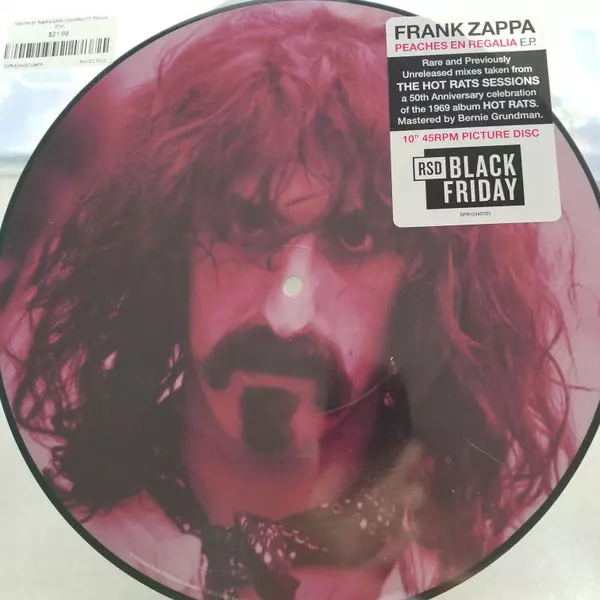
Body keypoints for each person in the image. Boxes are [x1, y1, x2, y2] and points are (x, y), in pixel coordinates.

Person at [2, 3, 576, 600]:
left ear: (424, 283)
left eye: (354, 237)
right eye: (248, 225)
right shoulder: (47, 558)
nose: (285, 314)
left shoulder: (490, 576)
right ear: (167, 253)